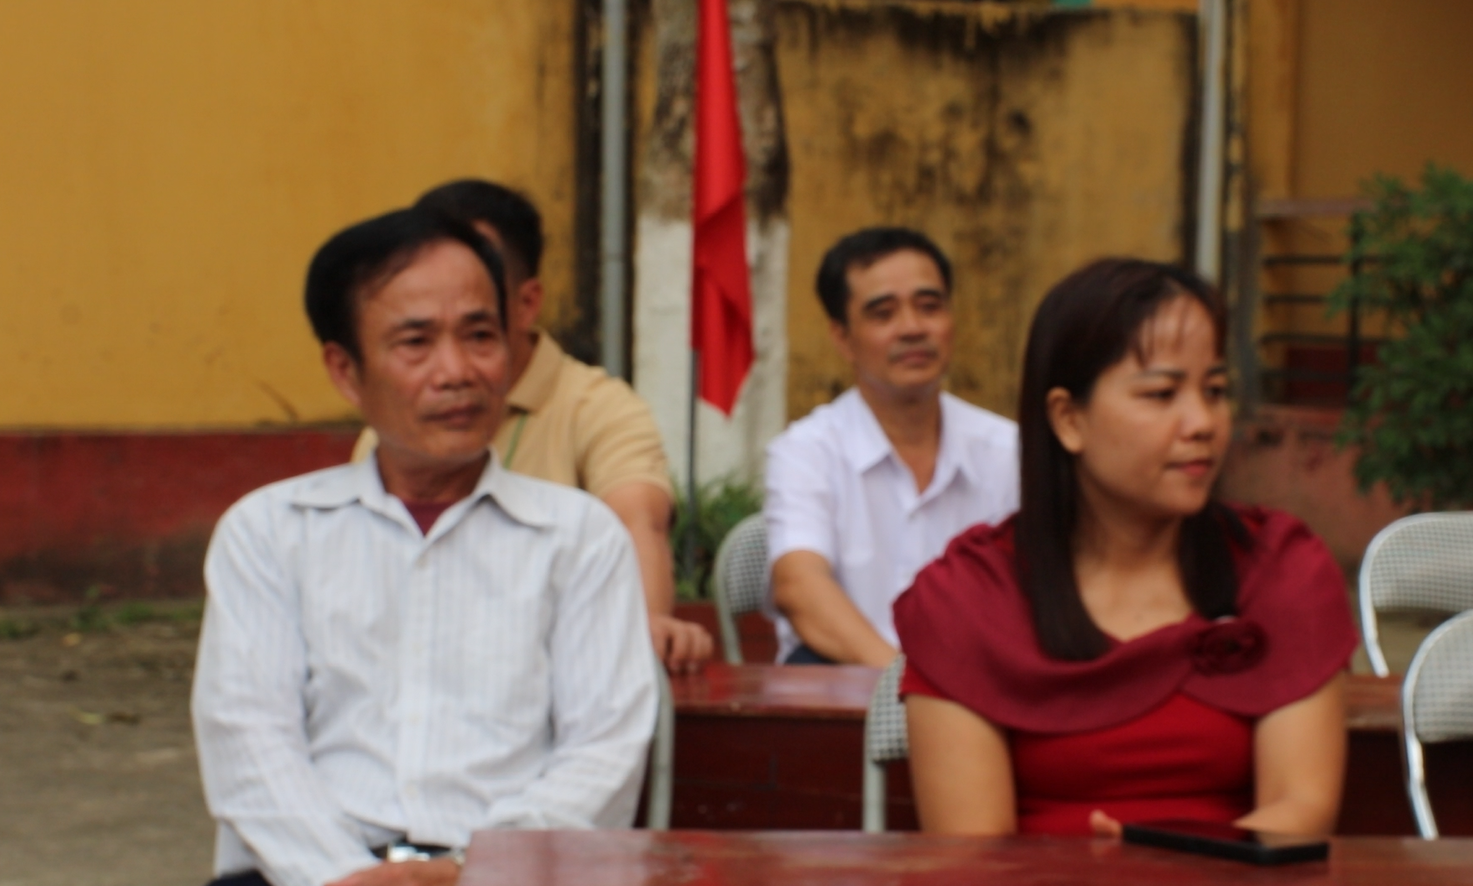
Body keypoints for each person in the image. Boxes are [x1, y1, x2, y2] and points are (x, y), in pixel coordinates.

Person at [193, 208, 656, 886]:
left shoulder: (580, 538)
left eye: (480, 336)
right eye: (416, 343)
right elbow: (248, 740)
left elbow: (604, 749)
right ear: (346, 371)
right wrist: (345, 876)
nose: (457, 371)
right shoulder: (269, 531)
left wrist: (477, 871)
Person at [894, 258, 1358, 837]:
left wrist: (1163, 857)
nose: (1202, 422)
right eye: (1162, 394)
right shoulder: (967, 600)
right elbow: (972, 855)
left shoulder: (1281, 569)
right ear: (1069, 419)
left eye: (1215, 391)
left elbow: (1301, 811)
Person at [352, 180, 712, 671]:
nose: (451, 368)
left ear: (525, 303)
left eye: (472, 299)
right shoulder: (399, 418)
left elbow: (637, 523)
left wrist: (645, 624)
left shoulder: (597, 407)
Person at [764, 227, 1018, 666]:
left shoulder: (1008, 450)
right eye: (883, 314)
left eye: (929, 307)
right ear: (842, 338)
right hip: (847, 683)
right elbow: (799, 587)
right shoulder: (806, 451)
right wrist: (904, 687)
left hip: (982, 683)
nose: (913, 328)